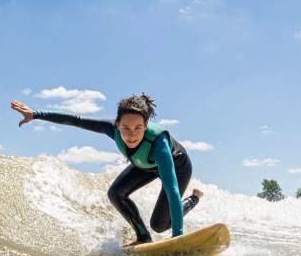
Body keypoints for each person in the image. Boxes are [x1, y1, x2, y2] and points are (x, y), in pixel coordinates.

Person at [10, 93, 202, 247]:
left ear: (146, 125)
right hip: (145, 165)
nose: (131, 135)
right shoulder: (110, 128)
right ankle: (143, 237)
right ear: (117, 124)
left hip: (177, 167)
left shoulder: (159, 145)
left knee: (159, 225)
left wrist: (178, 238)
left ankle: (193, 199)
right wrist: (36, 114)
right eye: (125, 127)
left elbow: (172, 190)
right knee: (116, 193)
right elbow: (75, 120)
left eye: (138, 128)